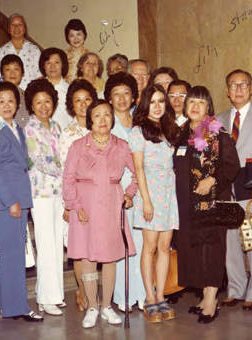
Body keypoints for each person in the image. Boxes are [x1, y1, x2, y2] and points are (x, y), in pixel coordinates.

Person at [63, 99, 137, 328]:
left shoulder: (122, 145)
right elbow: (67, 178)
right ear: (90, 120)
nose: (103, 119)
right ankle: (92, 305)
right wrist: (75, 205)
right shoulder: (78, 146)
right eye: (97, 115)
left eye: (107, 114)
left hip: (112, 205)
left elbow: (137, 174)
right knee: (87, 257)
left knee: (110, 257)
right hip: (85, 206)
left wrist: (130, 194)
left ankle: (106, 306)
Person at [173, 86, 239, 324]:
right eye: (191, 101)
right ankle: (204, 295)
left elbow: (232, 166)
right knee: (194, 249)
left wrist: (212, 179)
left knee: (211, 249)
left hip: (212, 203)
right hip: (186, 204)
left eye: (201, 102)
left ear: (208, 108)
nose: (195, 106)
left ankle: (212, 299)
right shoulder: (180, 134)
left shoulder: (218, 134)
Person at [0, 81, 43, 322]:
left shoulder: (15, 126)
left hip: (20, 195)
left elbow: (22, 162)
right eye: (1, 101)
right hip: (5, 200)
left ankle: (2, 302)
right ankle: (17, 307)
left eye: (11, 100)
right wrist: (11, 202)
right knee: (14, 255)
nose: (7, 105)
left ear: (17, 104)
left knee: (11, 252)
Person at [217, 69, 252, 311]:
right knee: (230, 241)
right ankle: (235, 289)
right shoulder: (217, 120)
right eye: (233, 85)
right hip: (227, 190)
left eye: (243, 84)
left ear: (251, 88)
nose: (238, 89)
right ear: (227, 91)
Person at [129, 84, 180, 323]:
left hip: (169, 193)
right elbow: (138, 168)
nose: (158, 106)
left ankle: (161, 295)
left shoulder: (170, 129)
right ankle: (149, 297)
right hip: (149, 193)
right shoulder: (138, 131)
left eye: (162, 101)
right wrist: (146, 201)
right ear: (145, 104)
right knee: (149, 248)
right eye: (153, 101)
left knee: (164, 247)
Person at [104, 72, 146, 312]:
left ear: (134, 97)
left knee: (141, 243)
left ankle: (142, 294)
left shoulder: (141, 121)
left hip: (143, 190)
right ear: (109, 98)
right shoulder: (106, 124)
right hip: (119, 191)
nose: (121, 99)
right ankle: (123, 296)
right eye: (116, 94)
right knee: (121, 243)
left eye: (126, 94)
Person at [24, 79, 65, 315]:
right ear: (31, 104)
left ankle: (56, 294)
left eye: (47, 101)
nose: (43, 106)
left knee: (57, 242)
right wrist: (66, 168)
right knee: (46, 243)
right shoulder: (29, 128)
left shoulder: (57, 127)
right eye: (38, 102)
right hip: (40, 193)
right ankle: (45, 298)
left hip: (59, 192)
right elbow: (37, 160)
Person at [59, 79, 98, 312]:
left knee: (95, 247)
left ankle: (93, 293)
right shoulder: (68, 134)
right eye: (78, 101)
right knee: (79, 248)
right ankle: (82, 291)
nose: (83, 105)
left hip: (99, 199)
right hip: (78, 199)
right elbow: (66, 171)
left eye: (87, 100)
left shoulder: (103, 128)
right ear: (71, 106)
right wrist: (69, 203)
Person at [0, 13, 42, 90]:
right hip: (8, 93)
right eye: (13, 25)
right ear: (8, 29)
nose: (16, 27)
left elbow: (39, 76)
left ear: (24, 29)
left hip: (29, 95)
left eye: (20, 24)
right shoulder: (2, 50)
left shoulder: (35, 50)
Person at [39, 48, 71, 129]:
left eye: (57, 62)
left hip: (66, 134)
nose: (52, 66)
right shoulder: (37, 88)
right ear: (43, 66)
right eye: (48, 63)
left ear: (63, 65)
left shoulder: (70, 89)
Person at [0, 54, 30, 128]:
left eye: (16, 69)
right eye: (8, 69)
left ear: (22, 73)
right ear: (2, 74)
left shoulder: (27, 95)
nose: (12, 73)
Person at [64, 19, 89, 84]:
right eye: (72, 36)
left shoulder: (89, 55)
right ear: (68, 38)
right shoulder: (64, 55)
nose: (76, 39)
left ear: (84, 35)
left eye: (78, 34)